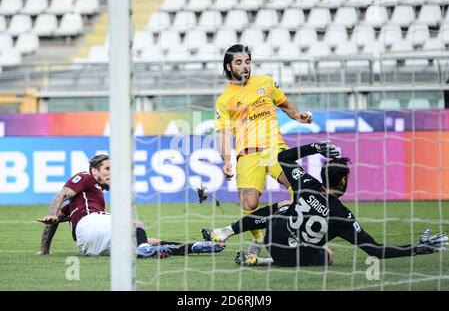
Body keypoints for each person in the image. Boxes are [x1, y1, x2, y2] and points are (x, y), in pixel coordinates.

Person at [202, 141, 448, 267]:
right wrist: (418, 248)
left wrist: (316, 147)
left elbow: (282, 156)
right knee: (328, 255)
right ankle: (260, 258)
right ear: (343, 180)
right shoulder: (343, 216)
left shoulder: (305, 182)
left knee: (284, 207)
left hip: (271, 241)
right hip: (290, 257)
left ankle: (243, 243)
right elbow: (376, 251)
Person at [215, 44, 313, 257]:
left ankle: (302, 234)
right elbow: (222, 133)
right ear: (229, 66)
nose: (245, 66)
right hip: (248, 153)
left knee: (297, 187)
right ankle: (258, 240)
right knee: (249, 202)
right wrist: (227, 160)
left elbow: (284, 103)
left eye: (247, 61)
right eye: (239, 62)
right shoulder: (224, 100)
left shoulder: (266, 82)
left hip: (274, 148)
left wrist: (298, 116)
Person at [36, 154, 225, 259]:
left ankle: (194, 247)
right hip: (91, 227)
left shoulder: (83, 202)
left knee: (147, 242)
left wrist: (45, 248)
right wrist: (52, 212)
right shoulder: (85, 177)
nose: (112, 173)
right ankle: (144, 248)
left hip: (89, 246)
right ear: (94, 171)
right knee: (135, 223)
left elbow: (55, 220)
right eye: (107, 169)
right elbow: (61, 194)